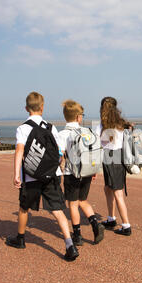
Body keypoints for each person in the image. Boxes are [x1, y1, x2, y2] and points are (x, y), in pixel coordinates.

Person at [5, 91, 79, 261]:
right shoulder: (51, 128)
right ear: (43, 107)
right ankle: (69, 244)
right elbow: (60, 152)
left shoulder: (23, 128)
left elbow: (19, 151)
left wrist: (16, 174)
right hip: (52, 174)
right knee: (58, 210)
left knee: (24, 207)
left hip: (31, 176)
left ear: (26, 108)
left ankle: (20, 239)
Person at [58, 99, 105, 246]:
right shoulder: (87, 132)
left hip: (71, 173)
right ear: (78, 117)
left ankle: (77, 235)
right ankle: (95, 225)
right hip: (87, 171)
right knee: (83, 201)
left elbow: (60, 155)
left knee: (73, 204)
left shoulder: (63, 134)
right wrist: (93, 169)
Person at [96, 97, 133, 236]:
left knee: (118, 193)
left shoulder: (102, 125)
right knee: (108, 188)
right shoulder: (121, 124)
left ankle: (126, 225)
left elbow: (97, 143)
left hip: (110, 158)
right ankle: (111, 218)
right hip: (118, 158)